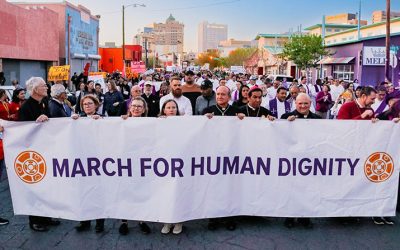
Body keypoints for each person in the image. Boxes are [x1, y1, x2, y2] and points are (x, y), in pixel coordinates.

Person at [18, 77, 60, 232]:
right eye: (44, 86)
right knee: (35, 187)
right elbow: (22, 131)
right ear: (35, 89)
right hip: (32, 153)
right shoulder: (26, 107)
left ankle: (45, 216)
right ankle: (34, 220)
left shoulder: (43, 103)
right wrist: (36, 122)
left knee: (46, 187)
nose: (47, 87)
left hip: (45, 148)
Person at [281, 93, 321, 229]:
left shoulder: (317, 119)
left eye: (306, 103)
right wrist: (287, 124)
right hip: (291, 161)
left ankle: (305, 217)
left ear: (310, 104)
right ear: (295, 104)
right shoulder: (286, 117)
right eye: (300, 103)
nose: (303, 106)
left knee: (307, 190)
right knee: (291, 189)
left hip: (309, 160)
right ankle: (289, 217)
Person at [71, 95, 105, 232]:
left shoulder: (102, 118)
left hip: (98, 162)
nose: (87, 106)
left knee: (98, 193)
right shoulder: (77, 119)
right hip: (82, 161)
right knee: (83, 192)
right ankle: (84, 221)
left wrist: (101, 121)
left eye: (90, 103)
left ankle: (99, 223)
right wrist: (71, 122)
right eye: (84, 104)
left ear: (96, 105)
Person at [118, 96, 152, 235]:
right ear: (129, 108)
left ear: (144, 109)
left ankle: (141, 220)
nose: (136, 108)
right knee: (125, 192)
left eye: (139, 106)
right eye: (134, 106)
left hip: (143, 163)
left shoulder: (150, 123)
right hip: (125, 163)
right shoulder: (121, 122)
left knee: (141, 191)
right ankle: (124, 221)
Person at [158, 99, 184, 235]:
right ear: (164, 109)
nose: (172, 109)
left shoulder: (184, 123)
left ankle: (179, 221)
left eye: (174, 107)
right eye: (168, 107)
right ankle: (166, 221)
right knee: (165, 193)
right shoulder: (157, 122)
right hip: (163, 163)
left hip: (179, 163)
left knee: (178, 192)